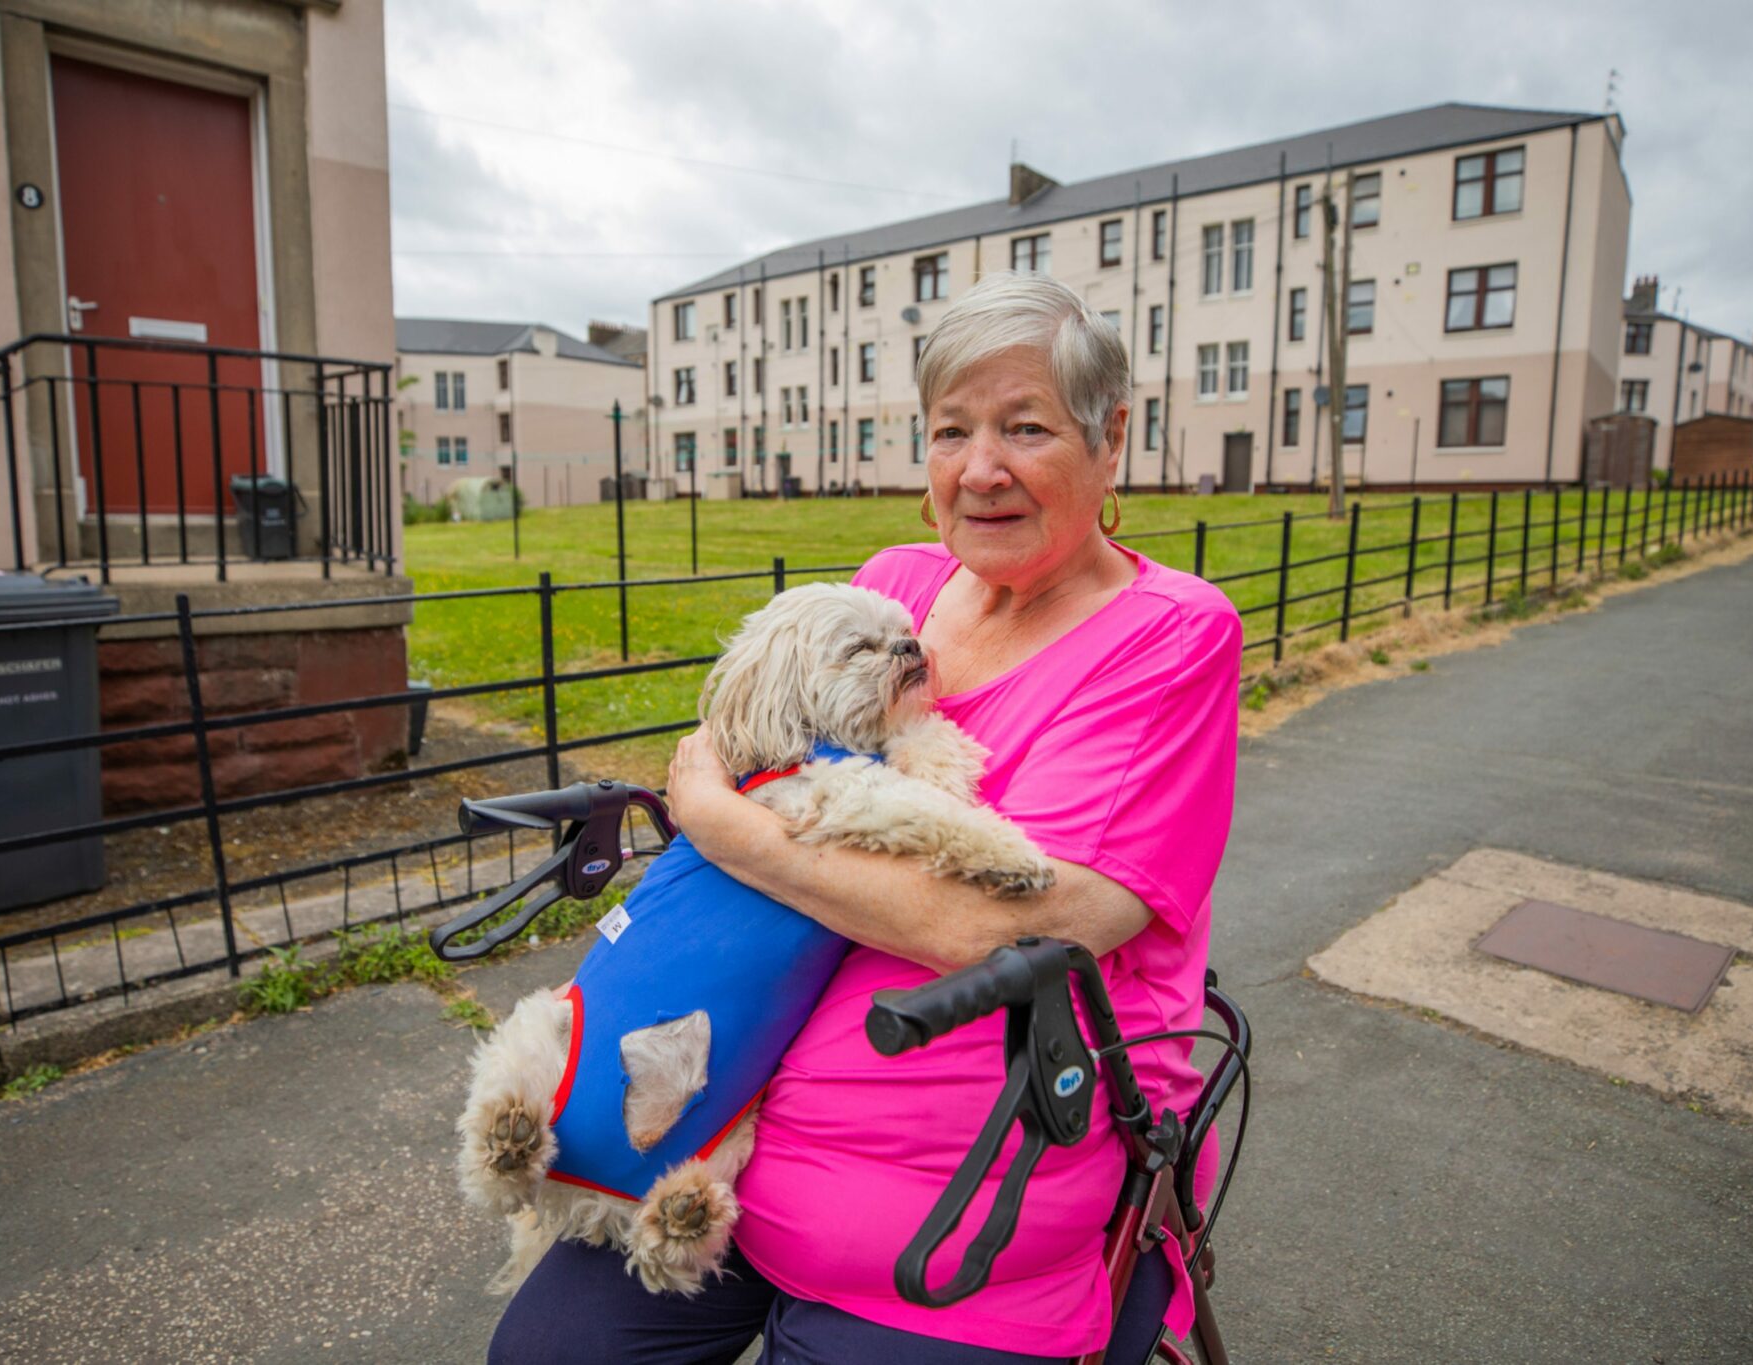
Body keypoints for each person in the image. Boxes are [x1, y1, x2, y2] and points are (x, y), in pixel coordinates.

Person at [488, 272, 1241, 1365]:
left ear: (1108, 435)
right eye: (950, 431)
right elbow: (746, 736)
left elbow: (1007, 927)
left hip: (973, 1176)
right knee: (550, 1356)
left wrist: (719, 824)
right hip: (736, 1121)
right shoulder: (896, 584)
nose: (979, 470)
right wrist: (720, 802)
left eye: (1023, 428)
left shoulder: (1166, 638)